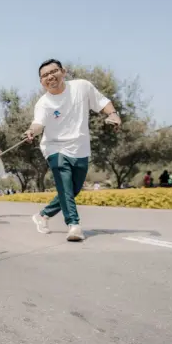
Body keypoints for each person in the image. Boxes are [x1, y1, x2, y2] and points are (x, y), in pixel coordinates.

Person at [24, 59, 121, 241]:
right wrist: (31, 131)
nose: (50, 77)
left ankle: (43, 215)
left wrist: (113, 114)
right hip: (55, 147)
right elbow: (38, 123)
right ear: (41, 81)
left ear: (63, 71)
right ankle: (74, 225)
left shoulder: (82, 87)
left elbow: (102, 102)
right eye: (44, 75)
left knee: (72, 189)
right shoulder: (43, 103)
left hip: (80, 148)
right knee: (65, 185)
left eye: (53, 72)